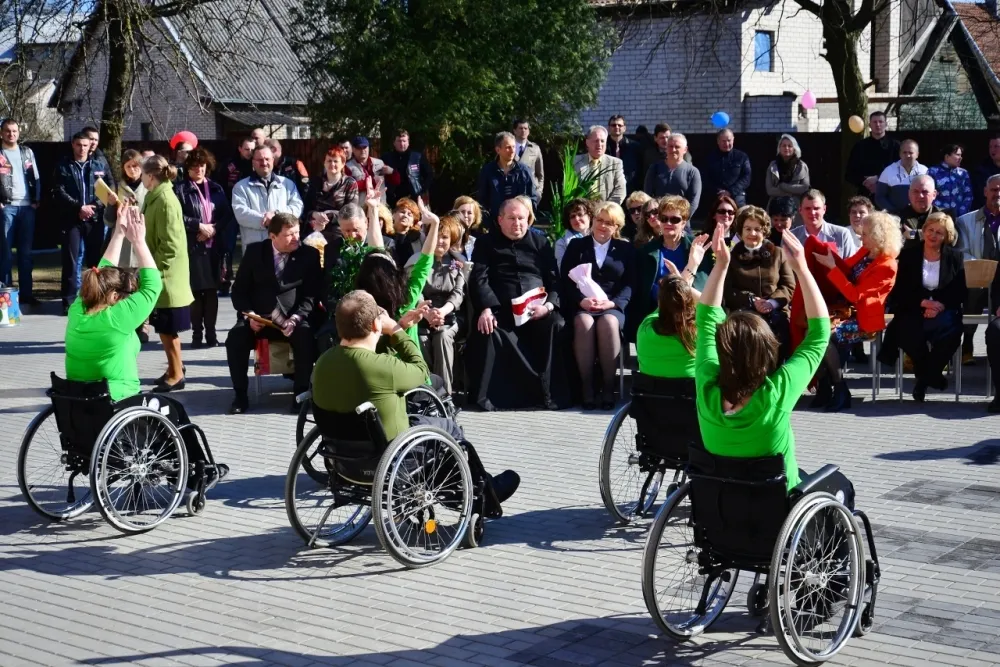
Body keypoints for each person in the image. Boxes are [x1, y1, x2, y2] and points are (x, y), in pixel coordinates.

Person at [310, 290, 521, 509]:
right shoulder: (379, 367)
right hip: (391, 458)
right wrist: (398, 331)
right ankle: (478, 493)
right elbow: (421, 371)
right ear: (375, 326)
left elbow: (365, 359)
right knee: (448, 429)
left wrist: (392, 328)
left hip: (343, 462)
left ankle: (463, 487)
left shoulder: (323, 364)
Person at [695, 221, 854, 504]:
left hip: (723, 510)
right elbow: (818, 336)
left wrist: (720, 266)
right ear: (767, 351)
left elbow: (706, 318)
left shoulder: (706, 385)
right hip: (776, 511)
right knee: (842, 489)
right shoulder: (775, 393)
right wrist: (802, 269)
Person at [467, 196, 568, 410]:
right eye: (511, 218)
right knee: (488, 330)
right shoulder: (486, 243)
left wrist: (548, 306)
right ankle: (495, 399)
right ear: (500, 219)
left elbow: (554, 280)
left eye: (522, 218)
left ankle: (552, 395)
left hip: (538, 310)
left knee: (557, 325)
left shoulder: (540, 242)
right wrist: (486, 309)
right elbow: (479, 278)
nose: (517, 223)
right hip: (501, 311)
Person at [227, 212, 321, 414]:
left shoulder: (308, 255)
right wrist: (249, 315)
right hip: (259, 319)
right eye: (290, 234)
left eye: (297, 232)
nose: (296, 238)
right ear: (273, 236)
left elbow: (312, 294)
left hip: (293, 319)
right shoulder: (254, 253)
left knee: (305, 335)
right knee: (235, 338)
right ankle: (240, 396)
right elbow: (239, 291)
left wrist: (296, 318)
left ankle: (300, 394)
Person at [66, 205, 161, 401]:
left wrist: (118, 232)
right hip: (118, 399)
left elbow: (102, 272)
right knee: (177, 416)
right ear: (114, 296)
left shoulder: (78, 309)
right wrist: (139, 241)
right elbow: (153, 286)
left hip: (78, 401)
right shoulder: (116, 318)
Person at [811, 211, 902, 412]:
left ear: (879, 235)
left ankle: (839, 387)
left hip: (864, 320)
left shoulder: (887, 265)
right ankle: (827, 387)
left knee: (825, 337)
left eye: (866, 233)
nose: (861, 236)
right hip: (846, 313)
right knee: (813, 332)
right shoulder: (865, 252)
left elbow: (855, 294)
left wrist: (831, 268)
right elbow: (845, 268)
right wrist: (830, 260)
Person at [879, 213, 966, 402]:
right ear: (924, 230)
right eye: (931, 230)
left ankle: (924, 379)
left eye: (939, 233)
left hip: (943, 308)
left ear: (947, 237)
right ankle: (932, 375)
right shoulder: (909, 255)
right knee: (905, 330)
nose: (933, 235)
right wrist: (924, 303)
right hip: (913, 306)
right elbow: (900, 290)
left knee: (952, 333)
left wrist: (938, 306)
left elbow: (959, 291)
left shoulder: (955, 257)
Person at [560, 202, 636, 409]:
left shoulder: (625, 249)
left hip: (611, 304)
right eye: (600, 220)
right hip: (583, 303)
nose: (603, 226)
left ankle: (608, 387)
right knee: (584, 323)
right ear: (593, 221)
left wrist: (613, 302)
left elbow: (631, 283)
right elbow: (565, 280)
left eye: (609, 223)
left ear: (617, 227)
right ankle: (587, 388)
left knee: (608, 323)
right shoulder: (577, 246)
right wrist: (580, 300)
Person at [358, 194, 439, 349]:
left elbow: (374, 251)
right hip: (410, 368)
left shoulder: (363, 304)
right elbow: (425, 261)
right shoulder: (407, 297)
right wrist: (434, 224)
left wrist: (374, 209)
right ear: (393, 273)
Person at [141, 155, 193, 393]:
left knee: (167, 329)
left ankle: (176, 374)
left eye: (143, 174)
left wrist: (154, 270)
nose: (141, 178)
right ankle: (174, 368)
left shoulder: (165, 200)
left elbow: (170, 245)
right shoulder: (156, 196)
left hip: (166, 276)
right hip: (160, 272)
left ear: (150, 176)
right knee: (164, 328)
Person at [630, 195, 712, 341]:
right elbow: (641, 293)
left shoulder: (697, 248)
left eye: (674, 219)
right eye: (663, 218)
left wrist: (686, 271)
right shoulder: (646, 251)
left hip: (689, 315)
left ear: (684, 222)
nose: (668, 223)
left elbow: (702, 290)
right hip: (655, 315)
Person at [176, 147, 232, 349]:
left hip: (214, 247)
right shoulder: (180, 189)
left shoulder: (216, 188)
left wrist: (214, 229)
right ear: (188, 168)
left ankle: (211, 334)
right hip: (193, 247)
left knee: (211, 292)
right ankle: (197, 335)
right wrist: (197, 226)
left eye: (201, 165)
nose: (198, 169)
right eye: (193, 166)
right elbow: (176, 217)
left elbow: (227, 214)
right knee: (196, 292)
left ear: (207, 166)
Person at [723, 206, 795, 352]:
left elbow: (789, 285)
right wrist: (751, 300)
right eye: (748, 229)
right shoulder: (730, 257)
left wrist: (771, 303)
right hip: (743, 316)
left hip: (775, 315)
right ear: (741, 231)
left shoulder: (778, 254)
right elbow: (727, 290)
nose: (752, 233)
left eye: (757, 229)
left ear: (765, 231)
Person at [54, 131, 107, 315]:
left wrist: (93, 207)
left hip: (94, 219)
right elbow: (59, 191)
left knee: (95, 262)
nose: (82, 148)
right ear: (73, 145)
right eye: (79, 145)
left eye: (85, 145)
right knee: (71, 261)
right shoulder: (63, 166)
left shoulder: (99, 165)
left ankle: (96, 298)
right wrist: (79, 207)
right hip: (71, 220)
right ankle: (68, 302)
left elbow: (108, 191)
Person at [418, 214, 466, 396]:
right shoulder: (418, 261)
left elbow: (458, 294)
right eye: (436, 236)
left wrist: (442, 312)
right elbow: (416, 291)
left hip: (451, 316)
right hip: (423, 315)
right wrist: (428, 313)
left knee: (443, 336)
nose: (440, 241)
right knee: (421, 339)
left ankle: (445, 395)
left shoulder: (457, 262)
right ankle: (426, 392)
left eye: (445, 237)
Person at [956, 174, 1000, 366]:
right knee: (974, 292)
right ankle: (967, 344)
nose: (997, 194)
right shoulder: (964, 221)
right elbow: (962, 253)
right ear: (985, 192)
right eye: (994, 190)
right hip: (977, 278)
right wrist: (984, 271)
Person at [0, 118, 41, 305]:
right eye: (8, 131)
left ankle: (26, 295)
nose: (12, 134)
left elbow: (36, 177)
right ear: (1, 133)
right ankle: (5, 297)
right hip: (6, 207)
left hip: (27, 208)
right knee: (5, 254)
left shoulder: (27, 152)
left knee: (26, 254)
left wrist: (36, 200)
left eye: (15, 131)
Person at [231, 145, 304, 246]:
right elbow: (241, 214)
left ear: (273, 160)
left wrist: (277, 216)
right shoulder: (241, 187)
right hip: (255, 247)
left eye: (267, 159)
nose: (264, 163)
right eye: (259, 159)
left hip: (284, 245)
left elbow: (297, 208)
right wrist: (264, 220)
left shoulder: (287, 184)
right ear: (253, 162)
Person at [636, 273, 697, 379]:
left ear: (659, 302)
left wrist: (681, 282)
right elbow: (712, 308)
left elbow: (667, 306)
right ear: (690, 303)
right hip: (690, 394)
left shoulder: (645, 328)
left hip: (651, 393)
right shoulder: (698, 332)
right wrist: (685, 286)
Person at [477, 131, 538, 227]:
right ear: (498, 150)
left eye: (514, 147)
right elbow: (482, 200)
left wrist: (526, 218)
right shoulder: (488, 171)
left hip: (519, 225)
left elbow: (533, 198)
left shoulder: (524, 171)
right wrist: (488, 222)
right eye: (508, 147)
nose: (512, 150)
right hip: (495, 225)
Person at [845, 111, 900, 199]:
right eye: (874, 122)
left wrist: (878, 179)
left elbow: (900, 170)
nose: (878, 125)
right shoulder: (860, 146)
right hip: (865, 195)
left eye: (880, 122)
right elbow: (850, 174)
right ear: (869, 125)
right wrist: (866, 182)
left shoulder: (896, 146)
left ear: (886, 124)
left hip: (890, 194)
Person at [304, 146, 358, 235]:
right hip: (314, 229)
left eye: (335, 161)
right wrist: (314, 215)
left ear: (343, 163)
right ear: (324, 163)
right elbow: (306, 208)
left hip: (338, 231)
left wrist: (328, 215)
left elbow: (351, 211)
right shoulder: (315, 182)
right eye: (329, 161)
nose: (332, 164)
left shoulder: (350, 183)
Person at [643, 133, 701, 211]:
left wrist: (681, 219)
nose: (673, 150)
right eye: (670, 146)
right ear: (666, 148)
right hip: (658, 219)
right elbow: (648, 196)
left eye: (677, 147)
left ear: (685, 150)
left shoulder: (692, 172)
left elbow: (694, 202)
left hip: (681, 220)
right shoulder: (654, 168)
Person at [573, 126, 627, 204]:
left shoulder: (616, 163)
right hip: (582, 212)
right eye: (596, 141)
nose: (599, 144)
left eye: (602, 141)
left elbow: (620, 190)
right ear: (587, 142)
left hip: (606, 211)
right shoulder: (575, 162)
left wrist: (606, 209)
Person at [383, 129, 433, 207]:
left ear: (408, 142)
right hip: (392, 198)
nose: (402, 144)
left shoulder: (417, 157)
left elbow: (429, 175)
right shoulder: (386, 157)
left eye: (404, 141)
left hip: (413, 198)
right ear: (394, 143)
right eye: (399, 141)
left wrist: (421, 191)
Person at [876, 139, 927, 215]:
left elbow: (931, 195)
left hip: (920, 216)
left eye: (911, 152)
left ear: (917, 154)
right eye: (904, 152)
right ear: (900, 154)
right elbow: (879, 197)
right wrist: (893, 212)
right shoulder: (888, 171)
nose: (907, 155)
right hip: (895, 219)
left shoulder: (925, 171)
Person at [702, 128, 751, 207]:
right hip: (715, 196)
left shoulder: (742, 157)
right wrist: (719, 191)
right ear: (718, 141)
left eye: (729, 140)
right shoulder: (709, 158)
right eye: (723, 141)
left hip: (737, 197)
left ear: (733, 140)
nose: (726, 143)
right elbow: (704, 178)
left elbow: (746, 178)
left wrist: (730, 192)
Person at [765, 134, 810, 212]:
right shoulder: (772, 165)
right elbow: (770, 190)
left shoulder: (802, 166)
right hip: (775, 206)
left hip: (795, 208)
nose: (786, 148)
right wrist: (792, 192)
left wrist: (783, 186)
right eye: (784, 145)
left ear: (794, 148)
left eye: (790, 146)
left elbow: (804, 188)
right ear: (779, 148)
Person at [927, 144, 972, 220]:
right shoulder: (932, 172)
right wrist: (939, 212)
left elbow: (968, 195)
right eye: (957, 155)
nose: (960, 158)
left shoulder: (963, 173)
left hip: (960, 217)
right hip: (939, 217)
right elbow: (929, 194)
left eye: (961, 155)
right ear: (947, 156)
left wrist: (961, 212)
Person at [345, 136, 385, 207]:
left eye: (364, 147)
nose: (362, 150)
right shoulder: (348, 167)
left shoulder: (380, 163)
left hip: (381, 205)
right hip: (361, 207)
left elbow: (396, 181)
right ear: (353, 149)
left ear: (368, 148)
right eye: (359, 148)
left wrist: (392, 173)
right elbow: (348, 187)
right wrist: (367, 183)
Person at [607, 115, 642, 194]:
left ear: (624, 128)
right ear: (609, 128)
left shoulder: (635, 147)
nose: (616, 127)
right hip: (608, 191)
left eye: (619, 125)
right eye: (613, 125)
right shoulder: (603, 147)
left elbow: (640, 170)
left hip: (630, 191)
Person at [554, 198, 593, 270]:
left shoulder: (600, 237)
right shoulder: (561, 243)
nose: (576, 219)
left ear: (590, 216)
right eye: (572, 216)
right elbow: (562, 270)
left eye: (580, 214)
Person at [513, 119, 545, 196]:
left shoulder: (535, 148)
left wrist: (539, 192)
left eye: (525, 128)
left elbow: (540, 174)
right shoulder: (508, 147)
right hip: (512, 190)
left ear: (529, 131)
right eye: (520, 128)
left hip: (530, 191)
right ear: (514, 131)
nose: (523, 131)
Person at [972, 134, 1000, 211]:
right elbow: (979, 196)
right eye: (990, 147)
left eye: (996, 146)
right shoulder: (981, 170)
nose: (992, 150)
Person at [452, 195, 483, 260]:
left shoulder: (476, 242)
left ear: (474, 217)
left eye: (469, 213)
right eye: (462, 212)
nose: (465, 215)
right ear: (455, 213)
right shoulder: (446, 236)